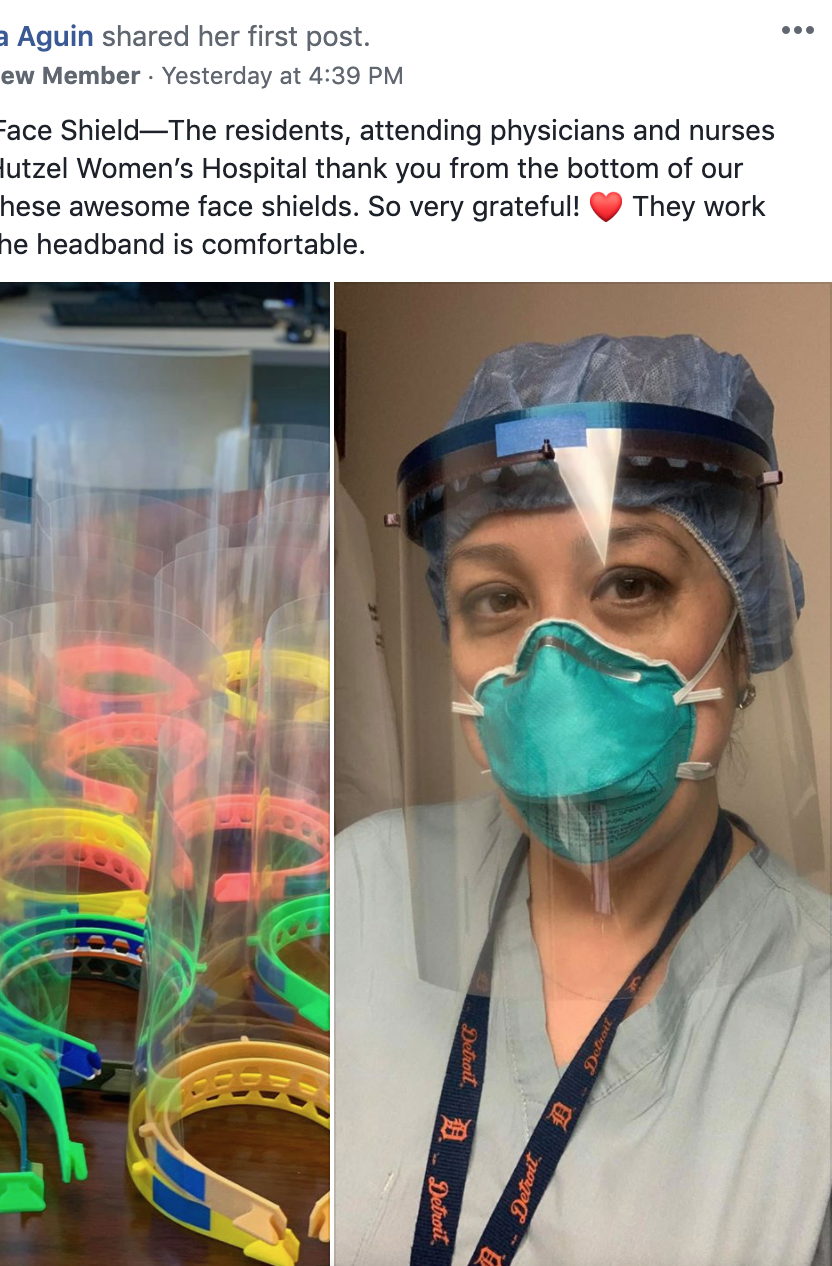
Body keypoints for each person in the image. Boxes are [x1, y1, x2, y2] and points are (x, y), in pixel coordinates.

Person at [334, 335, 831, 1266]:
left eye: (630, 585)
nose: (553, 671)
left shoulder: (817, 1021)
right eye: (495, 599)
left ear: (740, 628)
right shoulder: (363, 889)